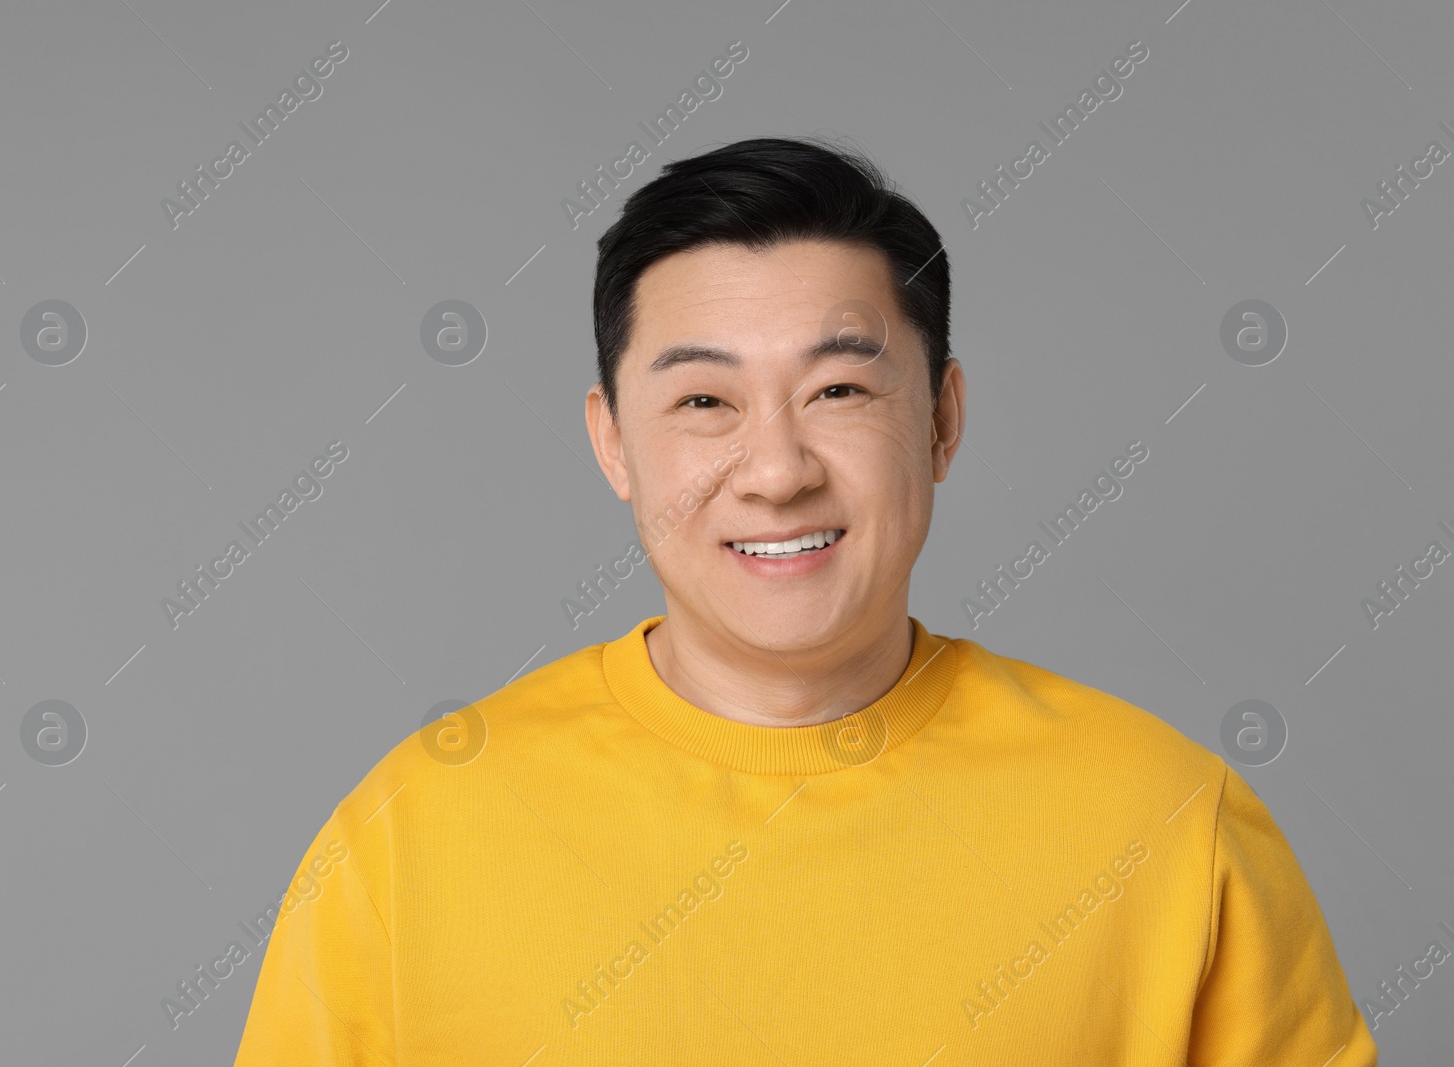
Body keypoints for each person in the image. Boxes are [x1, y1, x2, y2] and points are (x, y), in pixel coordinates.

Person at [233, 136, 1376, 1065]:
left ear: (941, 419)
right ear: (612, 442)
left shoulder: (1167, 820)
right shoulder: (411, 835)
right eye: (703, 402)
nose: (776, 470)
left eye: (837, 388)